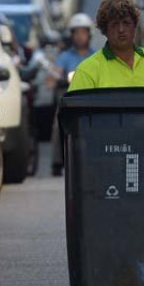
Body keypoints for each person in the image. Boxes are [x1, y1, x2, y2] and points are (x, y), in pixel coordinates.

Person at [68, 0, 144, 91]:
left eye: (126, 23)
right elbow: (75, 111)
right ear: (105, 30)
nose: (121, 29)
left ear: (134, 27)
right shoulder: (86, 71)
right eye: (115, 24)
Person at [51, 13, 96, 176]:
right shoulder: (64, 57)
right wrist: (59, 79)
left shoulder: (96, 56)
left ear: (89, 34)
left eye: (83, 32)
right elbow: (52, 79)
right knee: (58, 125)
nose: (80, 36)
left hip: (92, 98)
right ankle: (57, 162)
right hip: (70, 99)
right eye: (76, 32)